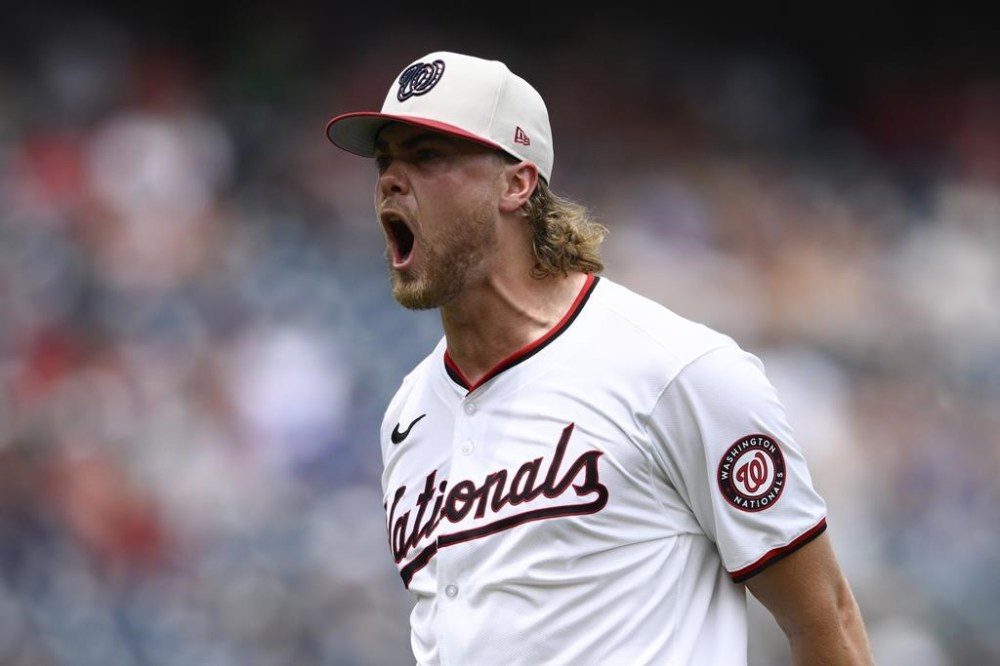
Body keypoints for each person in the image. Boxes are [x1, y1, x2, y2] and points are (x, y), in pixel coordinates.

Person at [324, 50, 874, 665]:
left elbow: (827, 621)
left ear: (516, 181)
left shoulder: (676, 372)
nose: (391, 181)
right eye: (385, 161)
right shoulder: (408, 415)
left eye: (427, 157)